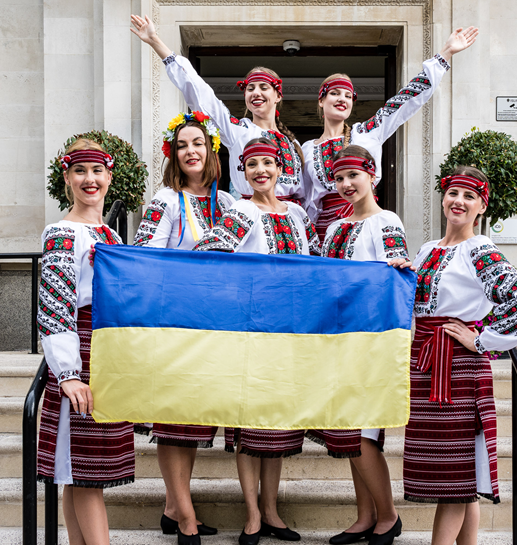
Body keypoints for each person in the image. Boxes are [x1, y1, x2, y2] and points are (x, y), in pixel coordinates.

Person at [194, 139, 320, 545]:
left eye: (268, 163)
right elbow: (209, 251)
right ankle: (251, 515)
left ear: (281, 168)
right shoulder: (242, 211)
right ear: (243, 172)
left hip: (291, 332)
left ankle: (271, 511)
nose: (260, 170)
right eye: (252, 165)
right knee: (248, 423)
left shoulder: (298, 215)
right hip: (252, 328)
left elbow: (319, 264)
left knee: (277, 423)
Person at [401, 166, 517, 545]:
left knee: (455, 475)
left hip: (458, 367)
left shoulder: (480, 250)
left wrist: (482, 340)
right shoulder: (428, 249)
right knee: (461, 474)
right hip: (426, 361)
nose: (458, 201)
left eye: (469, 196)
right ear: (443, 198)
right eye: (453, 193)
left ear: (481, 206)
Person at [132, 111, 234, 544]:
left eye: (197, 143)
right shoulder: (166, 200)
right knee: (173, 418)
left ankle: (174, 507)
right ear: (174, 155)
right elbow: (144, 256)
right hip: (174, 320)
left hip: (213, 324)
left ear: (211, 149)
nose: (190, 151)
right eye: (182, 145)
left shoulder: (228, 204)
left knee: (193, 418)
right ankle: (186, 517)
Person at [36, 139, 135, 545]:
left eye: (97, 171)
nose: (89, 179)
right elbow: (54, 304)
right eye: (80, 171)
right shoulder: (61, 232)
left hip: (107, 350)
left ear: (110, 177)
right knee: (85, 472)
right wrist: (69, 374)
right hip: (81, 352)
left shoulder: (111, 233)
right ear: (67, 178)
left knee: (78, 473)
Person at [308, 145, 407, 545]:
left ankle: (388, 516)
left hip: (371, 341)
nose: (346, 184)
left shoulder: (387, 221)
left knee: (364, 434)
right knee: (349, 432)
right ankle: (364, 515)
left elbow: (394, 278)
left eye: (354, 175)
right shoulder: (334, 228)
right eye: (339, 178)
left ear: (372, 175)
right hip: (338, 340)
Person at [302, 26, 479, 239]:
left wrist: (445, 54)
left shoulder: (365, 132)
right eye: (335, 93)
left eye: (348, 96)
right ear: (321, 101)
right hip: (323, 231)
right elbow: (304, 198)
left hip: (364, 223)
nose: (342, 99)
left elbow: (407, 98)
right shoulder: (307, 149)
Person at [131, 14, 306, 204]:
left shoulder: (292, 142)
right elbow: (200, 92)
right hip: (255, 214)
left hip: (292, 218)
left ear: (278, 96)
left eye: (263, 88)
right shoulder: (238, 130)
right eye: (250, 88)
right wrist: (155, 41)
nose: (256, 93)